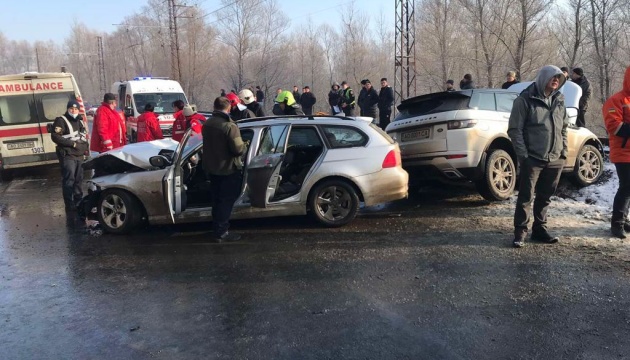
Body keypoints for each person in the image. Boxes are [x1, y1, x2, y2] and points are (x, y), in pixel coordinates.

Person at [507, 65, 568, 248]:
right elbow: (514, 130)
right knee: (526, 196)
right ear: (543, 78)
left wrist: (563, 153)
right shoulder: (525, 100)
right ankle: (520, 231)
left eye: (559, 78)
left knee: (545, 196)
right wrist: (524, 156)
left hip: (555, 158)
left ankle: (540, 229)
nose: (556, 80)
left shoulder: (559, 100)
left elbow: (564, 128)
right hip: (533, 158)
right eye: (553, 77)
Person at [202, 97, 247, 242]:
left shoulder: (207, 123)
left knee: (216, 200)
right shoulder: (229, 126)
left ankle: (217, 228)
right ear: (228, 108)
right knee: (226, 202)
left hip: (212, 168)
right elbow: (238, 149)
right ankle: (222, 232)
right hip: (228, 169)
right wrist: (245, 144)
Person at [602, 66, 630, 238]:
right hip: (623, 152)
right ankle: (617, 224)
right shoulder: (616, 100)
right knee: (626, 187)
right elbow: (614, 126)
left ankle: (623, 220)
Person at [51, 100, 89, 212]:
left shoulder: (80, 120)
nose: (74, 111)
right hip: (68, 154)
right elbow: (55, 137)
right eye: (71, 109)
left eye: (76, 109)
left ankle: (78, 201)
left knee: (78, 179)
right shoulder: (61, 120)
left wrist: (85, 148)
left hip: (79, 154)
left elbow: (84, 136)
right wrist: (72, 144)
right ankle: (69, 204)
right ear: (68, 109)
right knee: (69, 179)